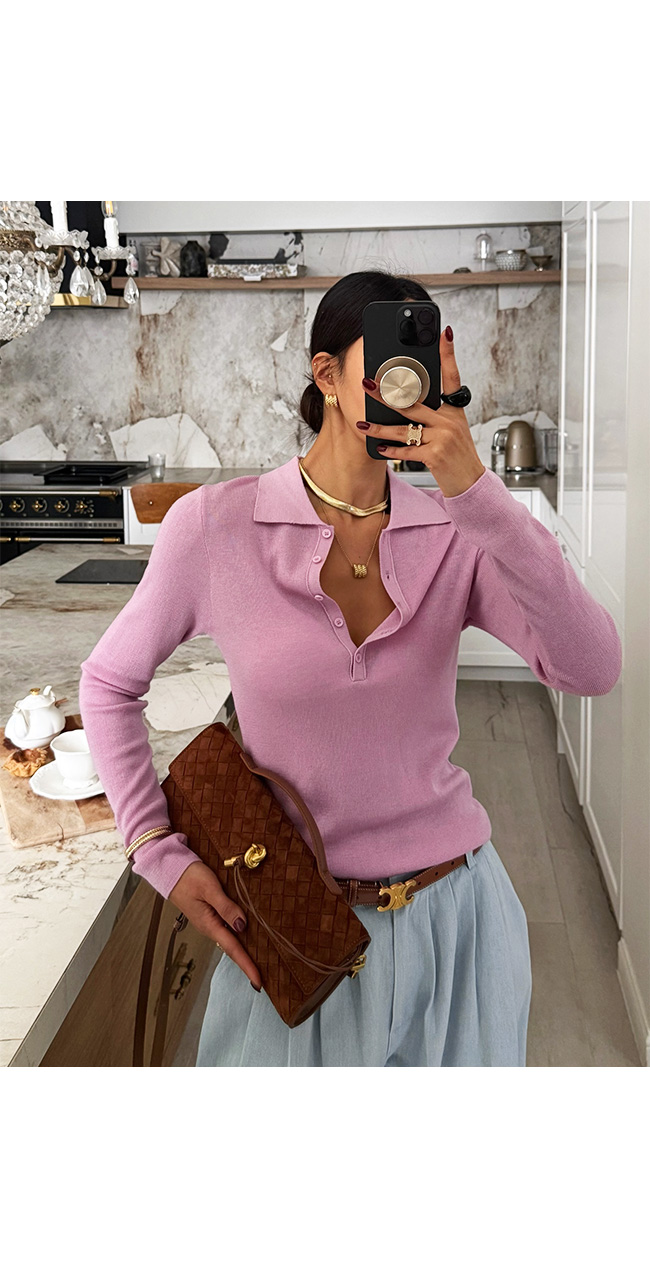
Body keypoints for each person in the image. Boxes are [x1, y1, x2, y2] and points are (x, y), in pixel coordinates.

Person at [79, 269, 622, 1067]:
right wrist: (155, 846)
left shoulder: (459, 533)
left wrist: (476, 493)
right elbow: (108, 683)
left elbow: (593, 664)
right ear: (326, 374)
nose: (406, 384)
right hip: (297, 933)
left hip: (460, 926)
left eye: (421, 364)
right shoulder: (217, 526)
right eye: (386, 360)